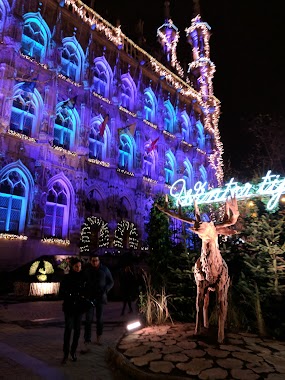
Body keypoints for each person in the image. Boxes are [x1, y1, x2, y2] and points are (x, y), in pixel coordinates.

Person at [59, 257, 88, 364]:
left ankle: (73, 351)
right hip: (69, 307)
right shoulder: (67, 278)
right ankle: (66, 353)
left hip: (79, 308)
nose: (78, 268)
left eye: (79, 266)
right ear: (72, 266)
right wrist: (70, 295)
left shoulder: (83, 277)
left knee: (77, 330)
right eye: (76, 266)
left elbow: (86, 290)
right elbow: (61, 292)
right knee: (68, 329)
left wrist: (84, 299)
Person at [83, 254, 114, 347]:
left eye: (96, 260)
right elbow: (83, 281)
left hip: (100, 298)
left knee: (99, 319)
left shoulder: (104, 269)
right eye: (93, 261)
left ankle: (98, 338)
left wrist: (106, 290)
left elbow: (111, 282)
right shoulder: (87, 271)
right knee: (88, 319)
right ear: (90, 261)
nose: (95, 262)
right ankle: (87, 339)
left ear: (99, 260)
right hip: (90, 298)